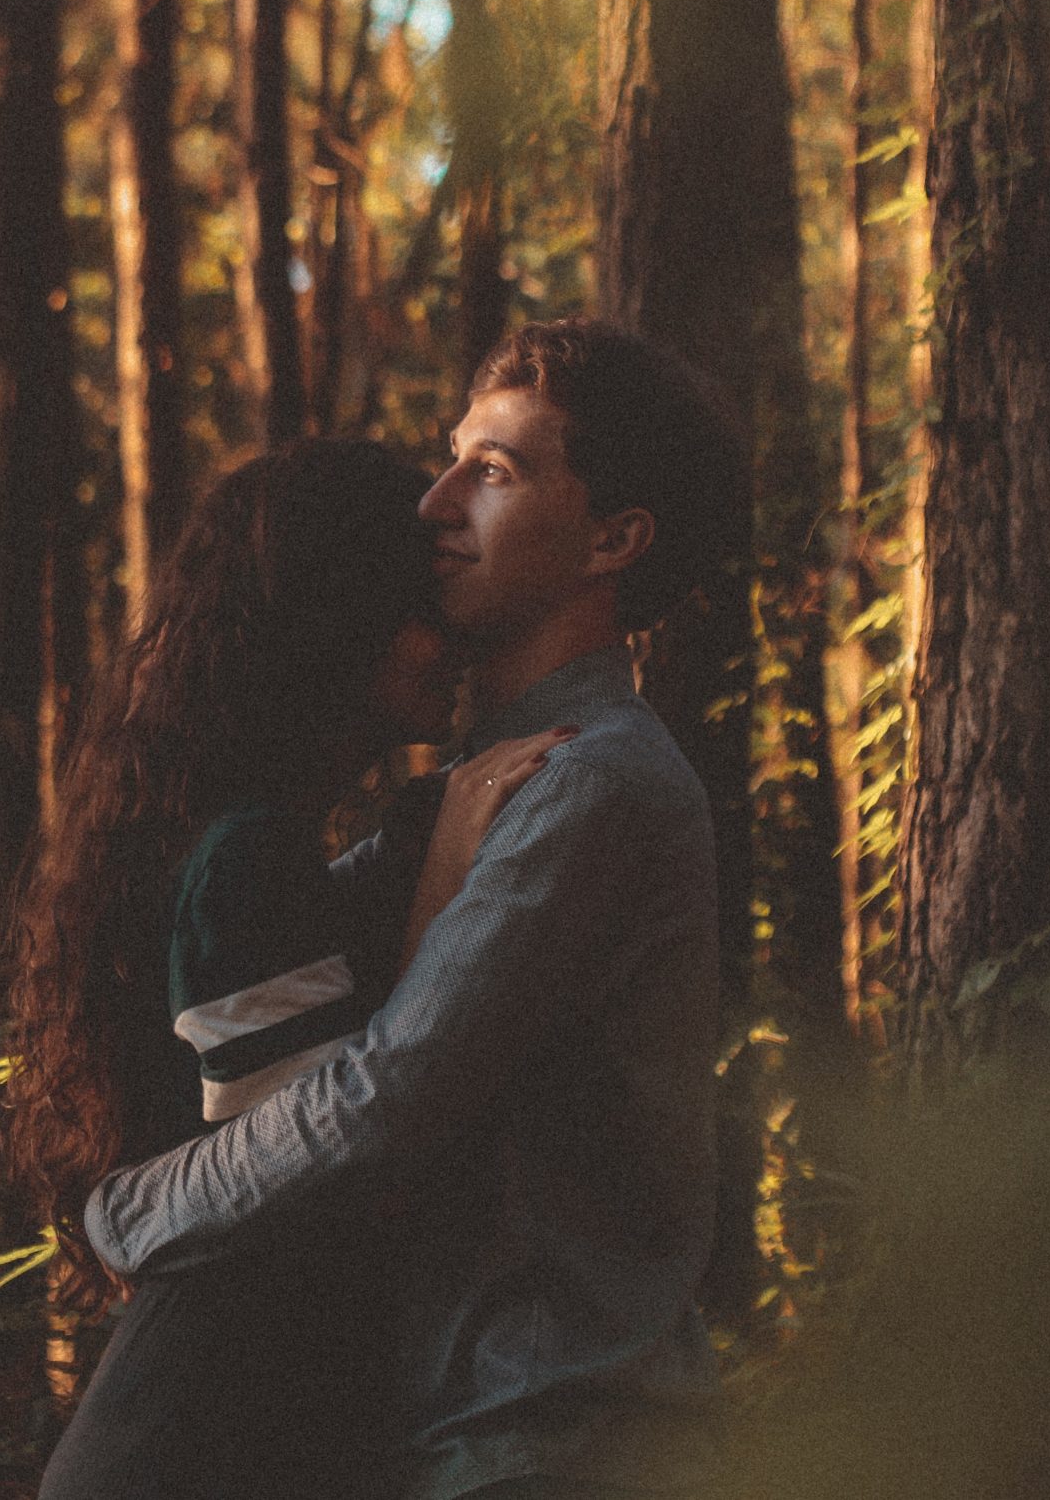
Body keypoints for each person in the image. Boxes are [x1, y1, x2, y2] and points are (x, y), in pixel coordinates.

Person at [87, 320, 741, 1500]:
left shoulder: (590, 782)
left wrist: (133, 1215)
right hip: (443, 1427)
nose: (435, 502)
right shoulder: (467, 789)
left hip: (548, 1434)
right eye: (451, 459)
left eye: (494, 472)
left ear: (614, 538)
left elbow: (385, 1094)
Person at [3, 438, 573, 1500]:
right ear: (337, 615)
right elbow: (327, 1162)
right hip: (196, 1435)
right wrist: (446, 875)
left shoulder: (261, 846)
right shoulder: (243, 855)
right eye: (418, 602)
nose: (445, 636)